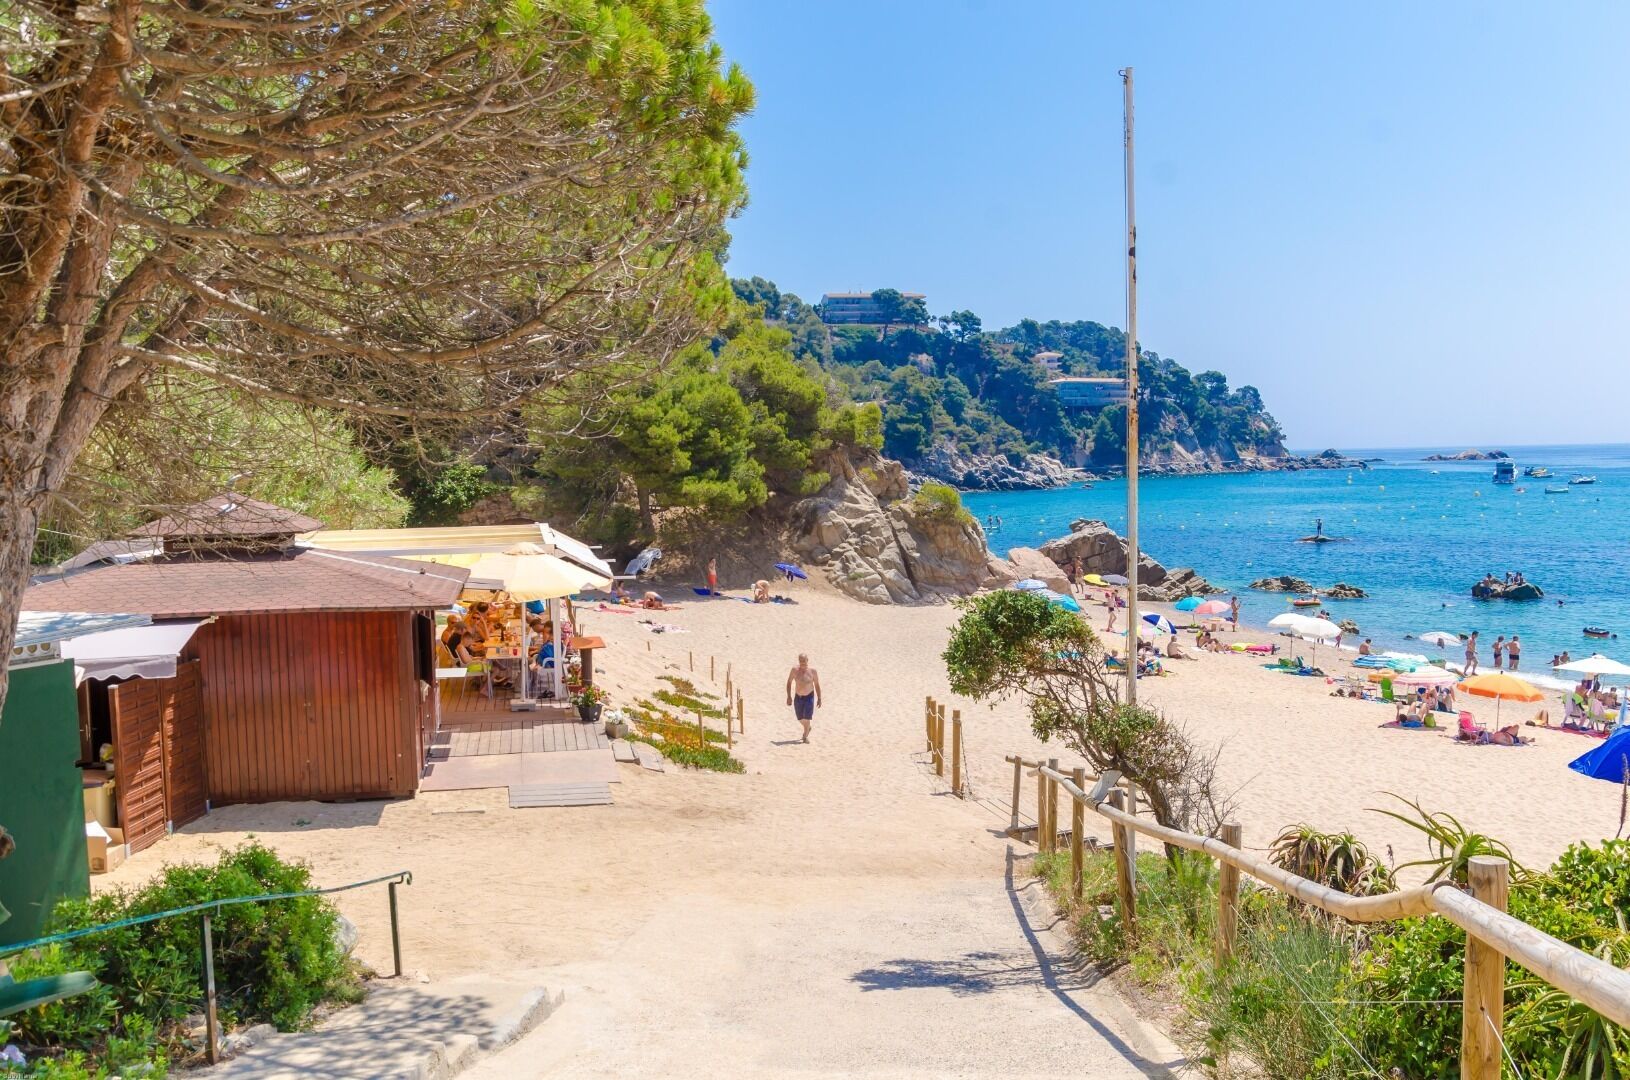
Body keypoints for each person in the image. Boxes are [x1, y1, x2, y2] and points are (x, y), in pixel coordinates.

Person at [785, 653, 821, 743]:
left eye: (804, 661)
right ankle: (808, 727)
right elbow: (789, 682)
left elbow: (816, 685)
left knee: (807, 717)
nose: (802, 663)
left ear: (807, 661)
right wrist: (789, 696)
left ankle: (805, 736)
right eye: (800, 661)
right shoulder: (794, 670)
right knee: (800, 718)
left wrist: (819, 698)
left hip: (809, 696)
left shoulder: (813, 671)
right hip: (798, 697)